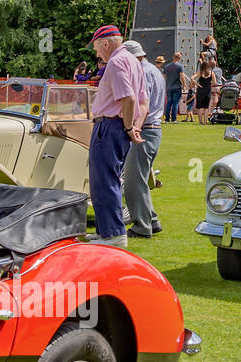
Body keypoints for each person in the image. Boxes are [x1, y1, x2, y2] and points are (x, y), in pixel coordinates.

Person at [86, 25, 144, 247]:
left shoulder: (117, 62)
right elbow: (139, 100)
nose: (96, 53)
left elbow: (128, 98)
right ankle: (106, 231)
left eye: (96, 48)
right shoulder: (133, 62)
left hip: (110, 126)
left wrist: (129, 127)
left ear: (106, 43)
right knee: (107, 180)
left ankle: (113, 235)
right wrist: (132, 126)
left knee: (104, 181)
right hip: (116, 126)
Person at [122, 40, 164, 239]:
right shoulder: (154, 70)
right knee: (140, 179)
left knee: (133, 182)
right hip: (153, 130)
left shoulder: (142, 72)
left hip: (144, 130)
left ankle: (141, 226)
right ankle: (152, 220)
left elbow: (142, 105)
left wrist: (133, 128)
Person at [163, 51, 187, 122]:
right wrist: (184, 85)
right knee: (175, 103)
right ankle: (174, 119)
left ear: (173, 57)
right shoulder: (180, 66)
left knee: (169, 103)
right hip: (176, 87)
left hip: (169, 87)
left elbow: (164, 77)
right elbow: (182, 77)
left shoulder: (167, 66)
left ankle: (167, 119)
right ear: (179, 58)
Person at [194, 58, 214, 123]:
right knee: (206, 107)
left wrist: (197, 84)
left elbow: (192, 78)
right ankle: (205, 122)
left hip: (200, 91)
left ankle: (200, 122)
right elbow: (214, 82)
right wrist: (209, 84)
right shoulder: (211, 73)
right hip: (208, 91)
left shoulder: (200, 73)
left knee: (200, 107)